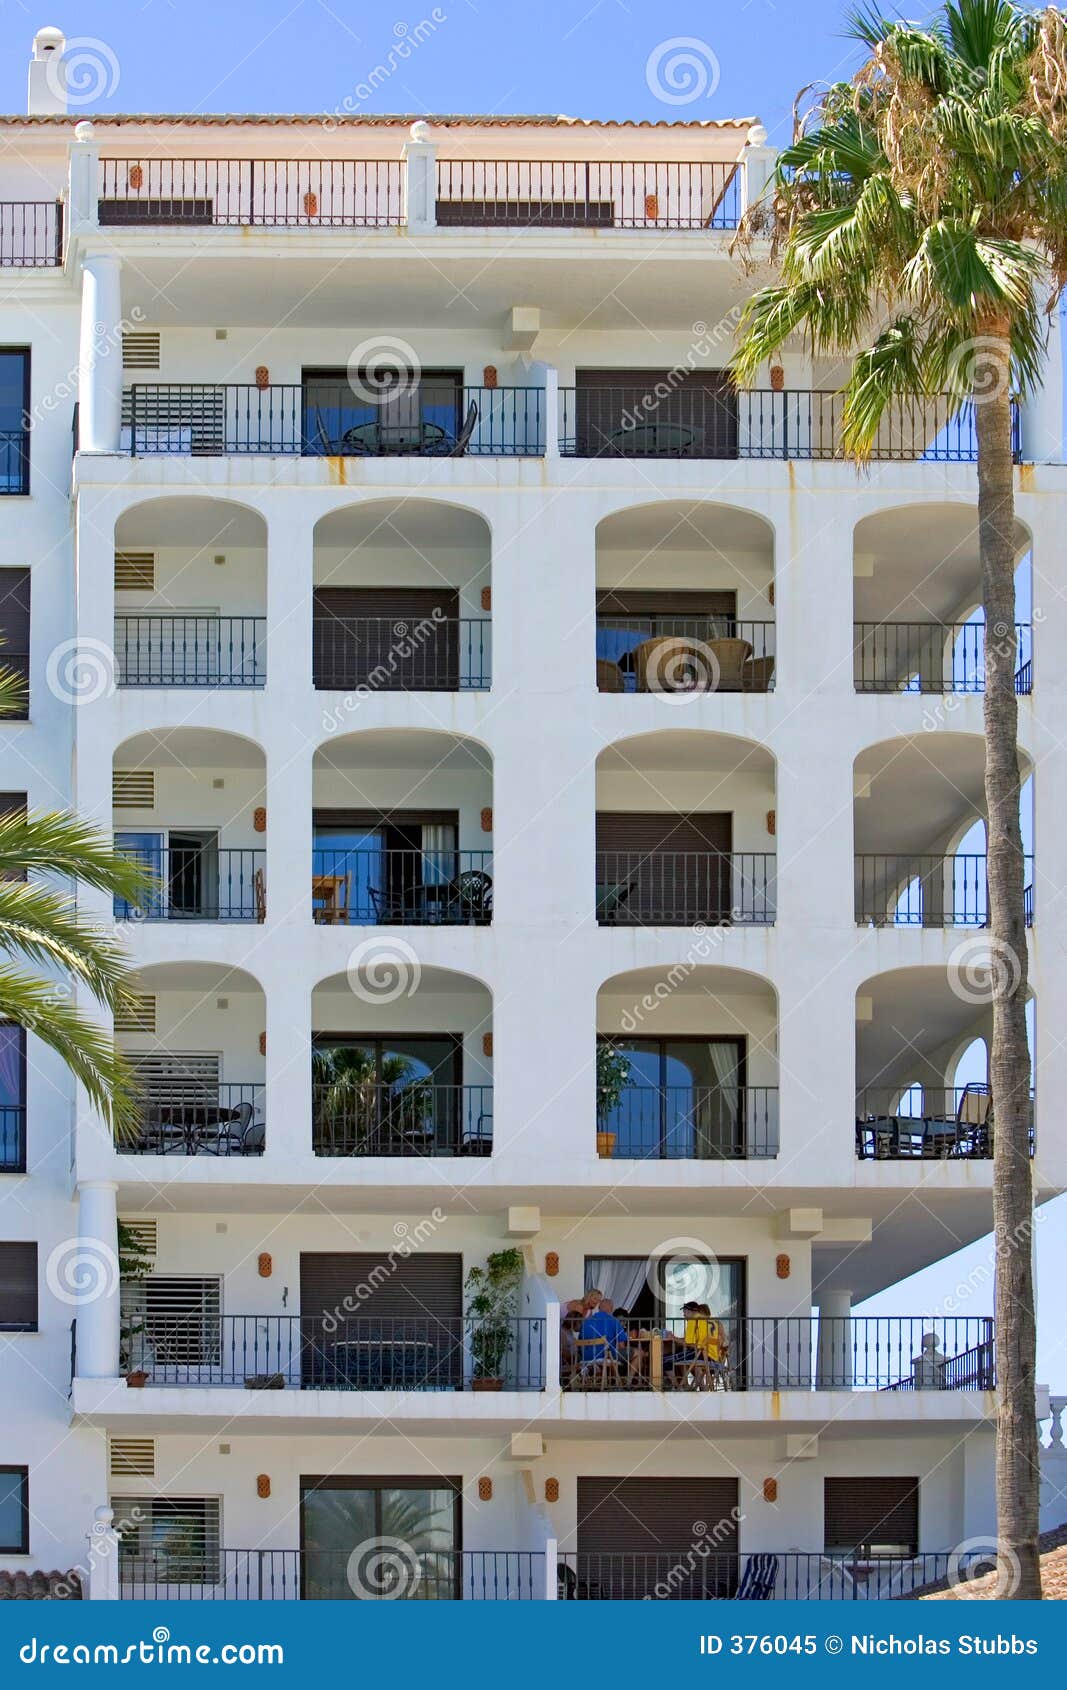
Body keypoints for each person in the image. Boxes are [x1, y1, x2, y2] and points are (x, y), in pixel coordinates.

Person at [579, 1297, 629, 1371]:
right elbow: (621, 1346)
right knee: (638, 1353)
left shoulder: (586, 1322)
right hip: (605, 1357)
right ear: (611, 1309)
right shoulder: (614, 1321)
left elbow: (580, 1341)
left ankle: (611, 1378)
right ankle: (628, 1380)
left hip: (586, 1358)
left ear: (599, 1308)